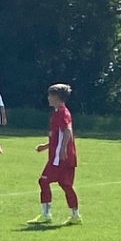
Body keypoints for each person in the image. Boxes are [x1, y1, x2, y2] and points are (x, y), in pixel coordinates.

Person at [34, 83, 80, 224]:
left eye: (50, 95)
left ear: (56, 97)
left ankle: (46, 214)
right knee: (66, 184)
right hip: (64, 156)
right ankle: (75, 216)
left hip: (60, 158)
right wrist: (46, 146)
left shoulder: (62, 113)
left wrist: (63, 149)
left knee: (44, 181)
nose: (48, 98)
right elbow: (59, 135)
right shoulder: (59, 112)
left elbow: (67, 131)